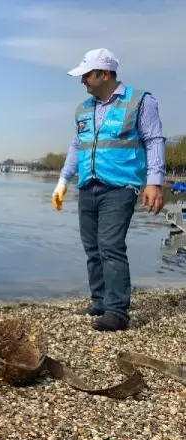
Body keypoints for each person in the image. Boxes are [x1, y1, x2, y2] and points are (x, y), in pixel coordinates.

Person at [52, 48, 166, 331]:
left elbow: (154, 140)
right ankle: (100, 301)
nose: (83, 82)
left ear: (104, 73)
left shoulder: (140, 101)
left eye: (87, 76)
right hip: (88, 184)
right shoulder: (84, 108)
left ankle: (117, 311)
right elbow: (76, 145)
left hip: (120, 186)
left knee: (111, 246)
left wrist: (154, 182)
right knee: (92, 247)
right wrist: (64, 179)